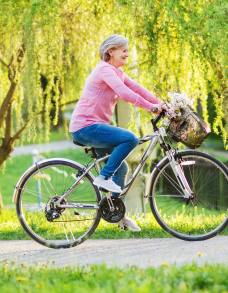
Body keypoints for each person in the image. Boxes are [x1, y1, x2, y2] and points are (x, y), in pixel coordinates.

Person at [69, 34, 164, 231]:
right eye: (124, 50)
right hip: (86, 126)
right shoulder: (104, 70)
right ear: (111, 51)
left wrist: (159, 103)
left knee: (121, 169)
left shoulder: (116, 72)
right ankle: (103, 177)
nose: (128, 54)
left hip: (94, 127)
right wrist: (151, 108)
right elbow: (124, 93)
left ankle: (117, 215)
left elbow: (137, 88)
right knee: (130, 138)